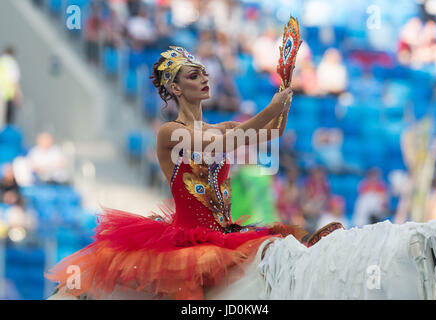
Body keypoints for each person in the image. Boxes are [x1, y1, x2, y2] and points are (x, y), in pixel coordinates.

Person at [45, 46, 309, 300]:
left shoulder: (221, 126)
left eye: (204, 73)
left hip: (224, 234)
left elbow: (274, 132)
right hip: (187, 244)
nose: (204, 78)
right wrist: (272, 108)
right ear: (175, 88)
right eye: (194, 76)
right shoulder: (170, 132)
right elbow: (223, 144)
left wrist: (284, 96)